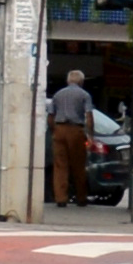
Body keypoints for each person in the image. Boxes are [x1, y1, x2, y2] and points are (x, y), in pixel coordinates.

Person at [47, 66, 94, 205]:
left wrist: (54, 130)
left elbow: (50, 116)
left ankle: (61, 198)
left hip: (59, 130)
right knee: (78, 165)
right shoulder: (85, 95)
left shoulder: (57, 95)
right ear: (81, 81)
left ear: (68, 81)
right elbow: (89, 117)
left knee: (60, 166)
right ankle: (81, 197)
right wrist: (90, 135)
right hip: (76, 130)